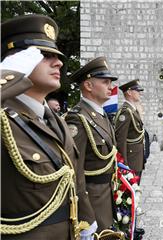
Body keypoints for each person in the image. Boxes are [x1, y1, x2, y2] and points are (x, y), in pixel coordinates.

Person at [1, 15, 96, 239]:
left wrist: (88, 220)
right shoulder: (4, 119)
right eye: (44, 55)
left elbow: (76, 180)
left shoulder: (56, 121)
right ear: (17, 60)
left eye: (58, 56)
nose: (59, 63)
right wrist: (5, 77)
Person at [65, 57, 118, 232]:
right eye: (105, 82)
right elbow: (74, 170)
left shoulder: (100, 114)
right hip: (92, 201)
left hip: (106, 195)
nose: (111, 87)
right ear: (88, 86)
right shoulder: (78, 118)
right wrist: (85, 216)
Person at [115, 79, 145, 183]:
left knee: (136, 190)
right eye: (137, 91)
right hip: (130, 160)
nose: (139, 93)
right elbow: (120, 139)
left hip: (137, 158)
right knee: (131, 191)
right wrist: (123, 164)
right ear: (129, 92)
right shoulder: (126, 111)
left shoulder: (133, 110)